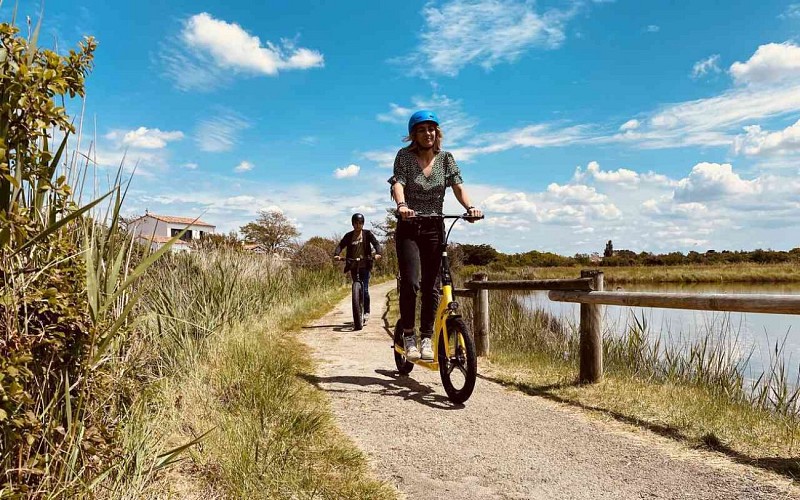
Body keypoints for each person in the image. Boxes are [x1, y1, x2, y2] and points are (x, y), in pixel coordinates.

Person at [388, 110, 482, 361]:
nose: (427, 133)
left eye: (431, 129)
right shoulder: (404, 158)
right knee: (411, 283)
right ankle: (409, 334)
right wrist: (402, 206)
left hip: (434, 227)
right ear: (413, 135)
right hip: (409, 226)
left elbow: (458, 186)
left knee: (432, 286)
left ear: (437, 133)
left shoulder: (446, 159)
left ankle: (428, 337)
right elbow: (398, 183)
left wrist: (470, 207)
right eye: (421, 130)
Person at [333, 213, 382, 324]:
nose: (358, 225)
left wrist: (378, 253)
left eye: (360, 223)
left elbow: (376, 243)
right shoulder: (349, 236)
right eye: (356, 223)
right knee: (356, 286)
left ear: (363, 223)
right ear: (352, 224)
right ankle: (357, 306)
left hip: (365, 264)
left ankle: (366, 312)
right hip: (353, 265)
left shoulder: (367, 234)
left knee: (365, 290)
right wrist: (337, 254)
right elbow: (341, 245)